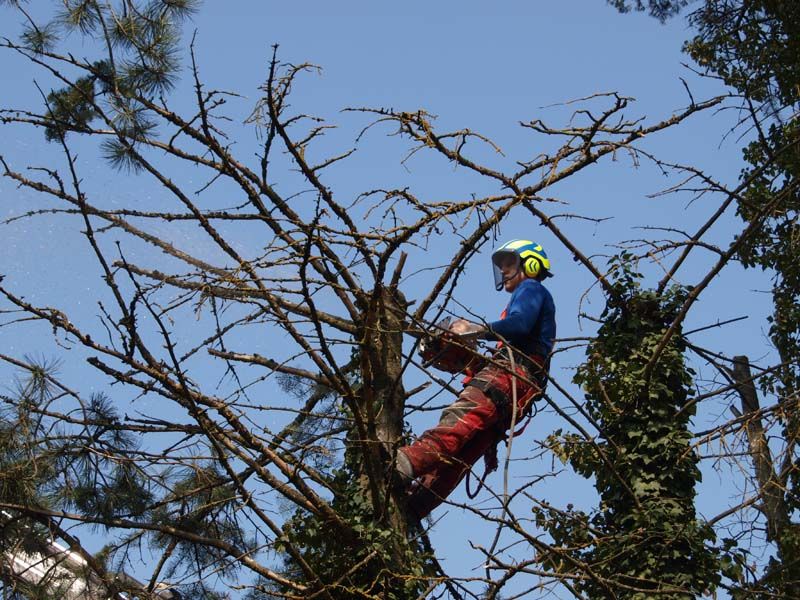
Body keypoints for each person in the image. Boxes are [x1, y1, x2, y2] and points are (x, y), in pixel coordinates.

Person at [396, 239, 556, 518]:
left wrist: (475, 330)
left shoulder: (531, 288)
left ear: (530, 265)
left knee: (457, 422)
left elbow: (519, 325)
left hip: (510, 376)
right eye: (502, 267)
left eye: (510, 264)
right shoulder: (532, 319)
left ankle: (399, 466)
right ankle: (413, 507)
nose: (504, 271)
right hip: (518, 393)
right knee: (459, 456)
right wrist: (471, 362)